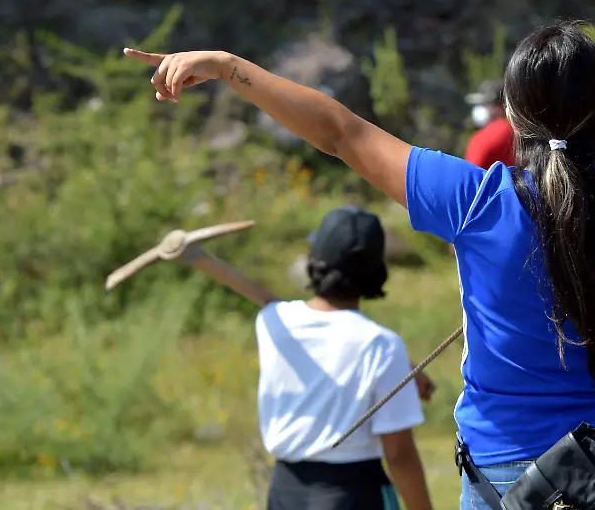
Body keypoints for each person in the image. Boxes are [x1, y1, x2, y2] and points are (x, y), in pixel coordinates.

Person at [125, 22, 595, 510]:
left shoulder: (474, 201)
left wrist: (228, 66)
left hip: (513, 478)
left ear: (510, 114)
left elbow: (340, 133)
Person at [180, 205, 436, 510]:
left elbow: (293, 316)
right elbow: (399, 455)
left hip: (285, 493)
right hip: (353, 495)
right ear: (377, 272)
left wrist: (196, 257)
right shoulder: (382, 345)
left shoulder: (273, 320)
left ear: (313, 262)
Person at [462, 79, 515, 168]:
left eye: (485, 104)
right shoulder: (525, 129)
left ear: (499, 105)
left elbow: (471, 174)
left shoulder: (483, 137)